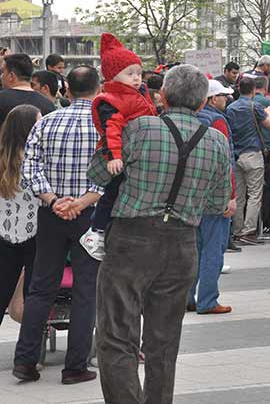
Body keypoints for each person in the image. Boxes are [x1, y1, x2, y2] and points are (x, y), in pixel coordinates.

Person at [89, 65, 231, 403]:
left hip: (131, 239)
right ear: (201, 103)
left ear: (162, 96)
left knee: (116, 335)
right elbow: (216, 202)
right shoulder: (217, 141)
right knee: (164, 341)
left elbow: (98, 171)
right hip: (182, 243)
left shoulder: (140, 128)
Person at [12, 67, 104, 385]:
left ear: (66, 88)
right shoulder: (103, 126)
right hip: (89, 214)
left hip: (50, 213)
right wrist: (79, 203)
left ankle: (25, 361)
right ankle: (75, 365)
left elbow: (30, 168)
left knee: (41, 287)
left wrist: (53, 200)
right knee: (85, 289)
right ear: (97, 88)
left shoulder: (47, 121)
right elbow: (111, 173)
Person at [90, 33, 158, 235]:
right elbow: (111, 129)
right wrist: (114, 156)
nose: (136, 78)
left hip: (139, 151)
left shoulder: (139, 93)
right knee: (112, 192)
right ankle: (99, 229)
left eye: (138, 73)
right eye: (130, 74)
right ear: (113, 75)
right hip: (121, 153)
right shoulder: (110, 100)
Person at [189, 79, 238, 315]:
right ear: (210, 99)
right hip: (215, 197)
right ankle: (208, 299)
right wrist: (230, 195)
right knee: (213, 250)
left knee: (194, 249)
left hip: (190, 196)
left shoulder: (189, 120)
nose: (226, 99)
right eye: (222, 96)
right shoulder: (217, 121)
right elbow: (225, 161)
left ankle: (188, 297)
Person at [0, 105, 41, 326]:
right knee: (33, 296)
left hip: (3, 233)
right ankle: (28, 350)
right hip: (35, 233)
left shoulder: (2, 159)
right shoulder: (36, 160)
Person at [226, 77, 270, 242]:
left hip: (236, 155)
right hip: (253, 154)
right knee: (254, 194)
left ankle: (237, 230)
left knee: (238, 195)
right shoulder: (255, 106)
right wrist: (268, 113)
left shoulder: (230, 108)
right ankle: (248, 231)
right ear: (253, 90)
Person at [0, 53, 54, 126]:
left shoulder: (2, 99)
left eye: (3, 72)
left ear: (11, 76)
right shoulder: (48, 104)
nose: (1, 77)